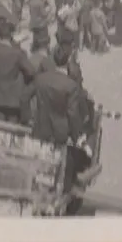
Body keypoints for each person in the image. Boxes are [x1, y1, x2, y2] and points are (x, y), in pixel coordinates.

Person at [30, 46, 89, 191]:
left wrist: (29, 118)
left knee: (40, 157)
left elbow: (25, 97)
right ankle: (62, 189)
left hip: (41, 126)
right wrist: (77, 136)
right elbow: (72, 114)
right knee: (63, 162)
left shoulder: (40, 79)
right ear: (68, 62)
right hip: (60, 131)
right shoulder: (70, 85)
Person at [0, 17, 36, 124]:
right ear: (11, 35)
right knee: (12, 128)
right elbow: (31, 72)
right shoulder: (18, 53)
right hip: (13, 99)